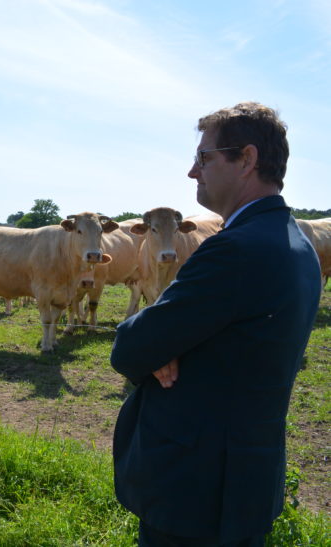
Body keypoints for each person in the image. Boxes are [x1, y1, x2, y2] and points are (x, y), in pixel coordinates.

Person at [110, 102, 320, 546]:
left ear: (246, 159)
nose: (192, 171)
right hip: (244, 475)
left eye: (204, 157)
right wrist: (165, 337)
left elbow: (130, 348)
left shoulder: (236, 250)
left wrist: (158, 339)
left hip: (195, 487)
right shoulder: (294, 242)